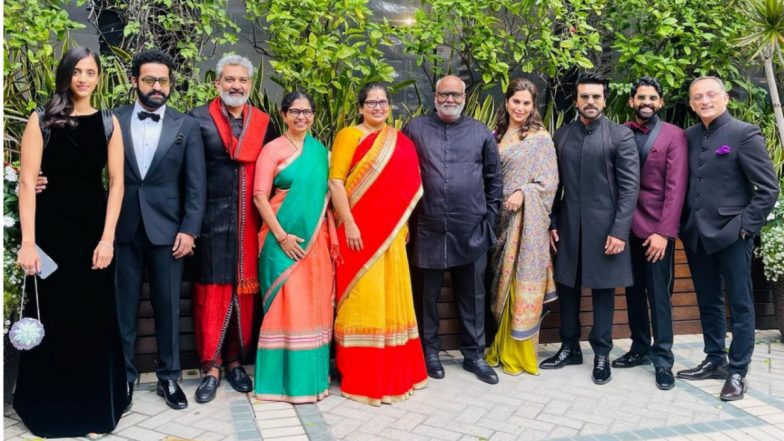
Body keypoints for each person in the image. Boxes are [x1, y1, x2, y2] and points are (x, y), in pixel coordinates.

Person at [14, 46, 127, 437]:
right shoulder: (41, 119)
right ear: (66, 75)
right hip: (50, 234)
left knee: (92, 319)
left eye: (90, 72)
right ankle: (48, 411)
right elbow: (27, 182)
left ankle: (95, 411)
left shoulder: (110, 122)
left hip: (93, 234)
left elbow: (116, 183)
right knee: (54, 317)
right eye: (76, 71)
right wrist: (28, 242)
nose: (83, 78)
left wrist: (108, 238)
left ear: (98, 77)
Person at [114, 49, 206, 410]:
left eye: (163, 80)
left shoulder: (186, 126)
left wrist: (190, 229)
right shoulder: (114, 121)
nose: (157, 86)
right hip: (123, 230)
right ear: (134, 81)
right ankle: (123, 378)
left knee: (168, 309)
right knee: (123, 309)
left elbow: (196, 185)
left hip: (169, 233)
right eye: (149, 79)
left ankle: (169, 379)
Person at [677, 76, 779, 401]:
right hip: (696, 234)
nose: (705, 101)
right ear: (692, 104)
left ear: (725, 98)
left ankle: (737, 371)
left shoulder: (744, 134)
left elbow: (768, 188)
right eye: (698, 97)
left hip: (734, 234)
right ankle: (714, 359)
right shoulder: (689, 137)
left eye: (710, 95)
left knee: (741, 303)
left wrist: (745, 227)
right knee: (708, 300)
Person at [330, 82, 427, 404]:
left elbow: (409, 187)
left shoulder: (400, 142)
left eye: (382, 102)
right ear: (360, 107)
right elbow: (336, 182)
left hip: (392, 237)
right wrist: (351, 223)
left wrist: (401, 226)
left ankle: (398, 371)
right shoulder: (349, 136)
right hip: (357, 235)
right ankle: (362, 375)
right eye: (370, 103)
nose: (377, 108)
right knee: (362, 300)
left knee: (392, 300)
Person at [404, 75, 503, 385]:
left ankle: (474, 355)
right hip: (428, 226)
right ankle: (429, 352)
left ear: (464, 98)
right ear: (435, 96)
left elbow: (494, 179)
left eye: (455, 95)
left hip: (471, 227)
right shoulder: (415, 129)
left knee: (473, 294)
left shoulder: (480, 133)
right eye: (444, 94)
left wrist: (490, 218)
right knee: (427, 295)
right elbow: (401, 173)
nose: (450, 99)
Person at [541, 73, 639, 386]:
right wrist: (552, 222)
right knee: (567, 287)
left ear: (605, 100)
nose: (590, 102)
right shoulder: (563, 135)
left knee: (602, 291)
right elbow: (554, 186)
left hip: (606, 227)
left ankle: (601, 354)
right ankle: (569, 347)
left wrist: (619, 231)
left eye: (596, 97)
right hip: (568, 225)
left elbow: (629, 188)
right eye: (584, 97)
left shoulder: (619, 136)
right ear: (576, 100)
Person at [188, 54, 273, 403]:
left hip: (251, 224)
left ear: (251, 86)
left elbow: (279, 167)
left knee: (244, 294)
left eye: (242, 80)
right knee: (212, 295)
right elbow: (186, 175)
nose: (236, 86)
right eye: (229, 79)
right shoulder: (198, 120)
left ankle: (236, 362)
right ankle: (211, 366)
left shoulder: (264, 123)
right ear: (217, 83)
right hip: (210, 222)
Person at [253, 91, 335, 403]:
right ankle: (278, 383)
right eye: (295, 112)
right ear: (284, 115)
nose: (301, 117)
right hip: (279, 242)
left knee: (312, 308)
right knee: (285, 308)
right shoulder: (272, 150)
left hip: (315, 242)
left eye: (307, 112)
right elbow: (260, 196)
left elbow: (327, 198)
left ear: (313, 115)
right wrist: (282, 236)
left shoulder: (319, 152)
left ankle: (312, 382)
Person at [613, 77, 687, 391]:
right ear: (631, 101)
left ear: (661, 101)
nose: (646, 101)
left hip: (657, 231)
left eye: (652, 97)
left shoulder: (674, 135)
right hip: (627, 228)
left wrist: (663, 232)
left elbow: (676, 188)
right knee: (632, 293)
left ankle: (663, 359)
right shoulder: (621, 132)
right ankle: (640, 347)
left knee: (659, 297)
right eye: (641, 96)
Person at [485, 78, 559, 376]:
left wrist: (522, 193)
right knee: (498, 284)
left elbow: (549, 183)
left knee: (518, 283)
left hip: (525, 225)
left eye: (526, 103)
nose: (520, 108)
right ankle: (498, 348)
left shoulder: (540, 139)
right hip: (498, 222)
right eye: (516, 101)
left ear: (533, 105)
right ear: (507, 102)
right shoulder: (495, 134)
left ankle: (517, 355)